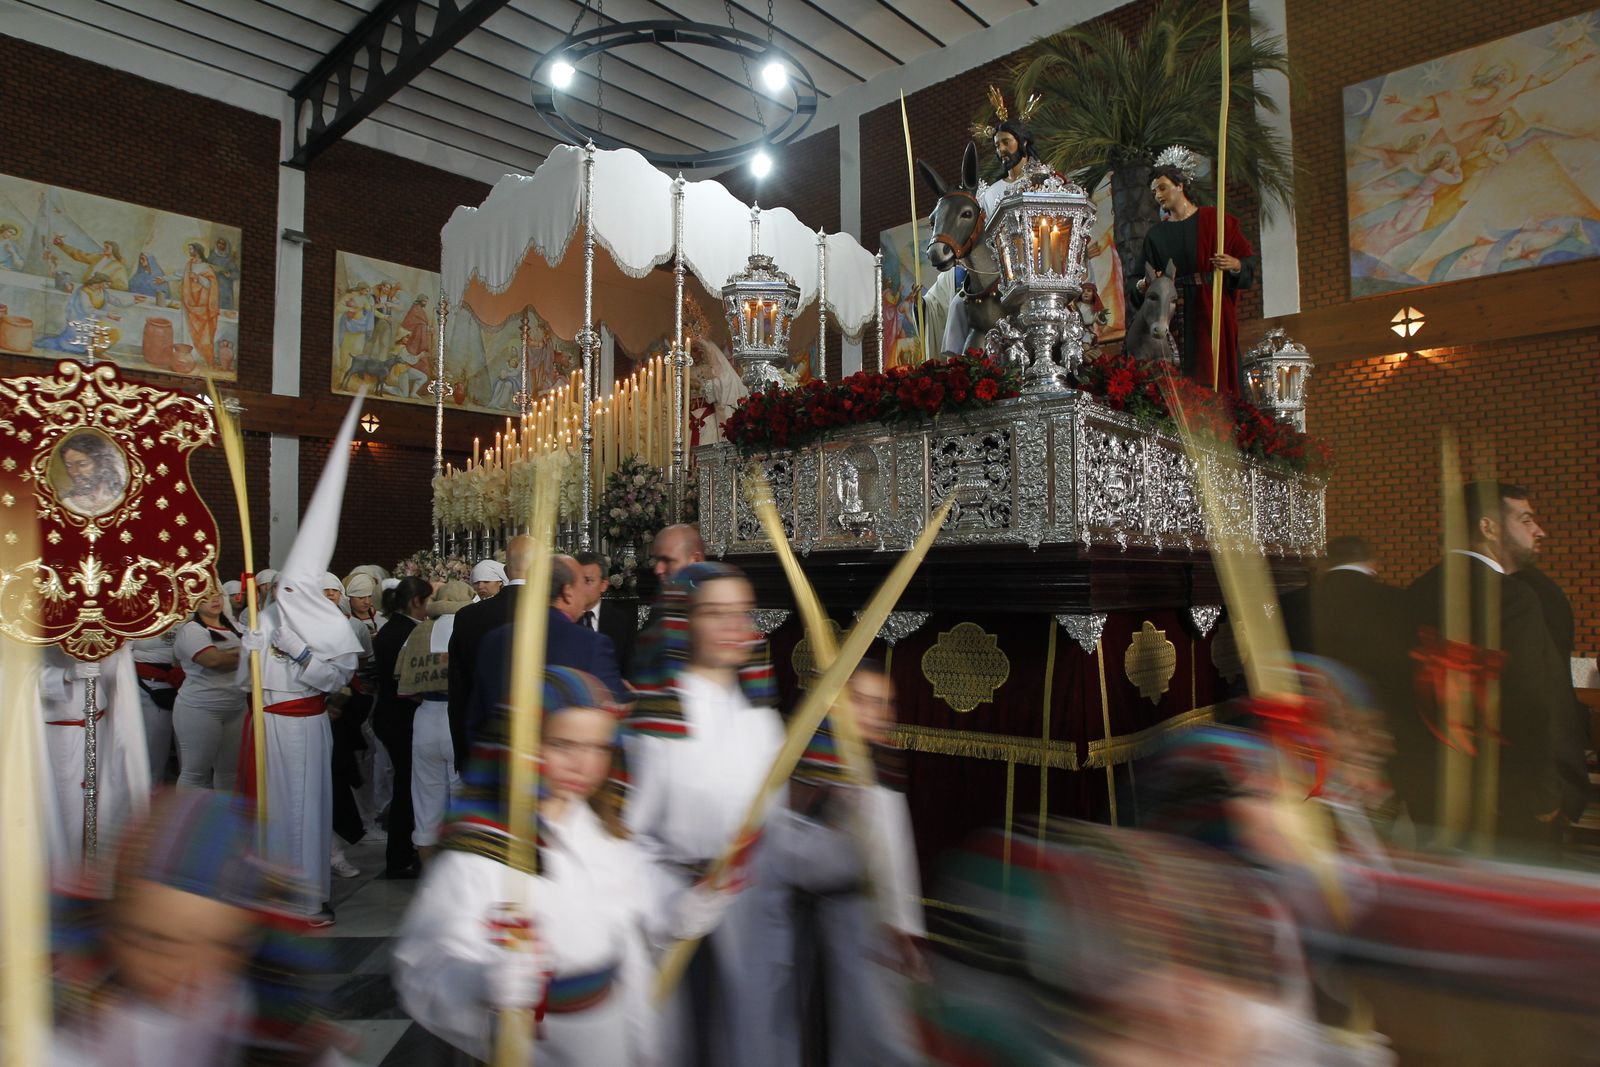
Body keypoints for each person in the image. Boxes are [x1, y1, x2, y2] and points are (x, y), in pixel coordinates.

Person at [393, 667, 736, 1066]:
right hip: (540, 1045)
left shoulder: (601, 830)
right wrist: (480, 980)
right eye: (564, 745)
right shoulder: (481, 852)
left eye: (599, 747)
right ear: (523, 743)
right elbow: (423, 966)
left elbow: (643, 900)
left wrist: (682, 906)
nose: (584, 764)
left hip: (616, 1029)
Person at [623, 562, 788, 1067]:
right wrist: (673, 904)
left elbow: (775, 830)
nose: (735, 627)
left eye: (743, 613)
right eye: (716, 613)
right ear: (684, 621)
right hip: (676, 923)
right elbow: (625, 841)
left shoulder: (763, 721)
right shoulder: (657, 721)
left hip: (755, 915)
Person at [48, 789, 344, 1065]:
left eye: (224, 944)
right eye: (158, 942)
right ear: (111, 925)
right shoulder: (57, 1038)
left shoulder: (248, 999)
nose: (190, 973)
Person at [235, 406, 365, 924]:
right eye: (280, 589)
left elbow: (337, 680)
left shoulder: (327, 626)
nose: (283, 597)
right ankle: (266, 893)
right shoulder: (265, 618)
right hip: (264, 722)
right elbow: (245, 682)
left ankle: (306, 894)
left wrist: (303, 654)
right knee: (268, 812)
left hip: (303, 724)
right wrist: (250, 650)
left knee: (302, 810)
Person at [1401, 482, 1578, 855]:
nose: (1539, 530)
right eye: (1526, 520)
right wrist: (1545, 793)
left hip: (1429, 790)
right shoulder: (1513, 598)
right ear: (1488, 527)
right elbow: (1531, 701)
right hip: (1506, 797)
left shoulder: (1414, 593)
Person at [777, 662, 926, 1066]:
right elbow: (785, 853)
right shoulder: (804, 767)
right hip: (805, 926)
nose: (876, 713)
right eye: (862, 700)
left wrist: (905, 930)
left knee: (868, 1033)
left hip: (863, 931)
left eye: (884, 703)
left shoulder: (881, 772)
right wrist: (834, 819)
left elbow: (896, 858)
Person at [1126, 146, 1257, 393]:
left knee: (1213, 372)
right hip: (1173, 311)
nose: (1158, 196)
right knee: (1179, 379)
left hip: (1209, 307)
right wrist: (1144, 284)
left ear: (1180, 185)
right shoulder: (1156, 235)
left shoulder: (1215, 220)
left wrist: (1235, 265)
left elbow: (1248, 262)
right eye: (1154, 192)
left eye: (1162, 188)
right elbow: (1134, 280)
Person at [465, 557, 629, 755]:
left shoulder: (494, 640)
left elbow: (476, 722)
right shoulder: (591, 645)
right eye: (581, 586)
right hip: (563, 767)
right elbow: (612, 718)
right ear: (568, 592)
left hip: (504, 765)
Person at [1498, 489, 1591, 833]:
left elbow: (1543, 695)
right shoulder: (1521, 590)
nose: (1540, 531)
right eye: (1527, 521)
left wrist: (1551, 791)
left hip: (1533, 784)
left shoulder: (1529, 595)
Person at [35, 644, 151, 872]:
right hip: (59, 735)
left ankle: (97, 864)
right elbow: (19, 678)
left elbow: (117, 674)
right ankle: (65, 869)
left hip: (99, 726)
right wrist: (64, 675)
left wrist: (108, 655)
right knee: (66, 804)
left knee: (102, 796)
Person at [398, 580, 473, 865]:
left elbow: (402, 680)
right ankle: (459, 879)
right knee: (463, 803)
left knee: (426, 806)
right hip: (460, 717)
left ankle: (429, 877)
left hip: (426, 715)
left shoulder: (418, 631)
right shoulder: (470, 629)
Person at [447, 536, 534, 768]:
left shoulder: (468, 617)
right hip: (537, 748)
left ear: (505, 571)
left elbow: (458, 688)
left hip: (484, 742)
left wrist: (463, 754)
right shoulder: (553, 612)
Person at [372, 576, 431, 879]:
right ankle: (400, 856)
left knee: (405, 785)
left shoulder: (390, 627)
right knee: (408, 787)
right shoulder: (409, 632)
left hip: (389, 715)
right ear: (416, 601)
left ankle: (402, 853)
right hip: (401, 717)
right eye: (428, 601)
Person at [171, 586, 246, 792]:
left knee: (230, 772)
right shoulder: (192, 630)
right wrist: (248, 654)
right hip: (201, 708)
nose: (214, 599)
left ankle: (225, 813)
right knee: (195, 772)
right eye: (205, 595)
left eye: (217, 594)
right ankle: (187, 814)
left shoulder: (236, 627)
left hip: (236, 706)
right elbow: (213, 661)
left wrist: (237, 652)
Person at [34, 274, 144, 355]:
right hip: (80, 322)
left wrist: (134, 300)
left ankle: (96, 352)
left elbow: (117, 301)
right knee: (76, 344)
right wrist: (108, 314)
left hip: (94, 321)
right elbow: (87, 310)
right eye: (107, 284)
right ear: (100, 282)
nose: (108, 286)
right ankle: (92, 351)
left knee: (115, 333)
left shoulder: (102, 291)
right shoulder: (84, 292)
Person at [129, 627, 183, 786]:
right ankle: (151, 790)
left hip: (190, 685)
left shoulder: (192, 617)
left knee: (191, 754)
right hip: (149, 686)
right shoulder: (136, 620)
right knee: (154, 748)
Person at [575, 550, 637, 677]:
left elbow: (630, 669)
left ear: (603, 585)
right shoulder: (563, 619)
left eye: (588, 581)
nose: (580, 587)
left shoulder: (622, 622)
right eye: (576, 581)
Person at [54, 431, 129, 518]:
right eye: (69, 466)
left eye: (82, 464)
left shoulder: (118, 496)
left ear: (101, 463)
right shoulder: (67, 502)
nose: (74, 472)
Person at [179, 242, 220, 367]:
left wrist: (197, 277)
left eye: (191, 249)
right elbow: (180, 275)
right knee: (188, 330)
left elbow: (209, 284)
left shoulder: (206, 267)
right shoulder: (189, 264)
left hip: (201, 305)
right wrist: (164, 278)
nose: (189, 251)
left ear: (197, 250)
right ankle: (187, 356)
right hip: (189, 302)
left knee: (203, 332)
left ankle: (202, 357)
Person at [52, 235, 130, 289]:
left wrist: (106, 284)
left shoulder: (118, 266)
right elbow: (79, 255)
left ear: (114, 250)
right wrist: (61, 245)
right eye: (104, 247)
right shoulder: (98, 258)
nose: (104, 249)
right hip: (86, 287)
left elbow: (123, 286)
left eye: (107, 247)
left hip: (101, 293)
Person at [206, 237, 239, 311]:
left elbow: (237, 274)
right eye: (219, 243)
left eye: (223, 244)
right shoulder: (212, 257)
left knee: (224, 309)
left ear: (226, 246)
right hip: (213, 285)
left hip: (225, 288)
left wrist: (230, 275)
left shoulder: (229, 259)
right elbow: (206, 268)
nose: (220, 245)